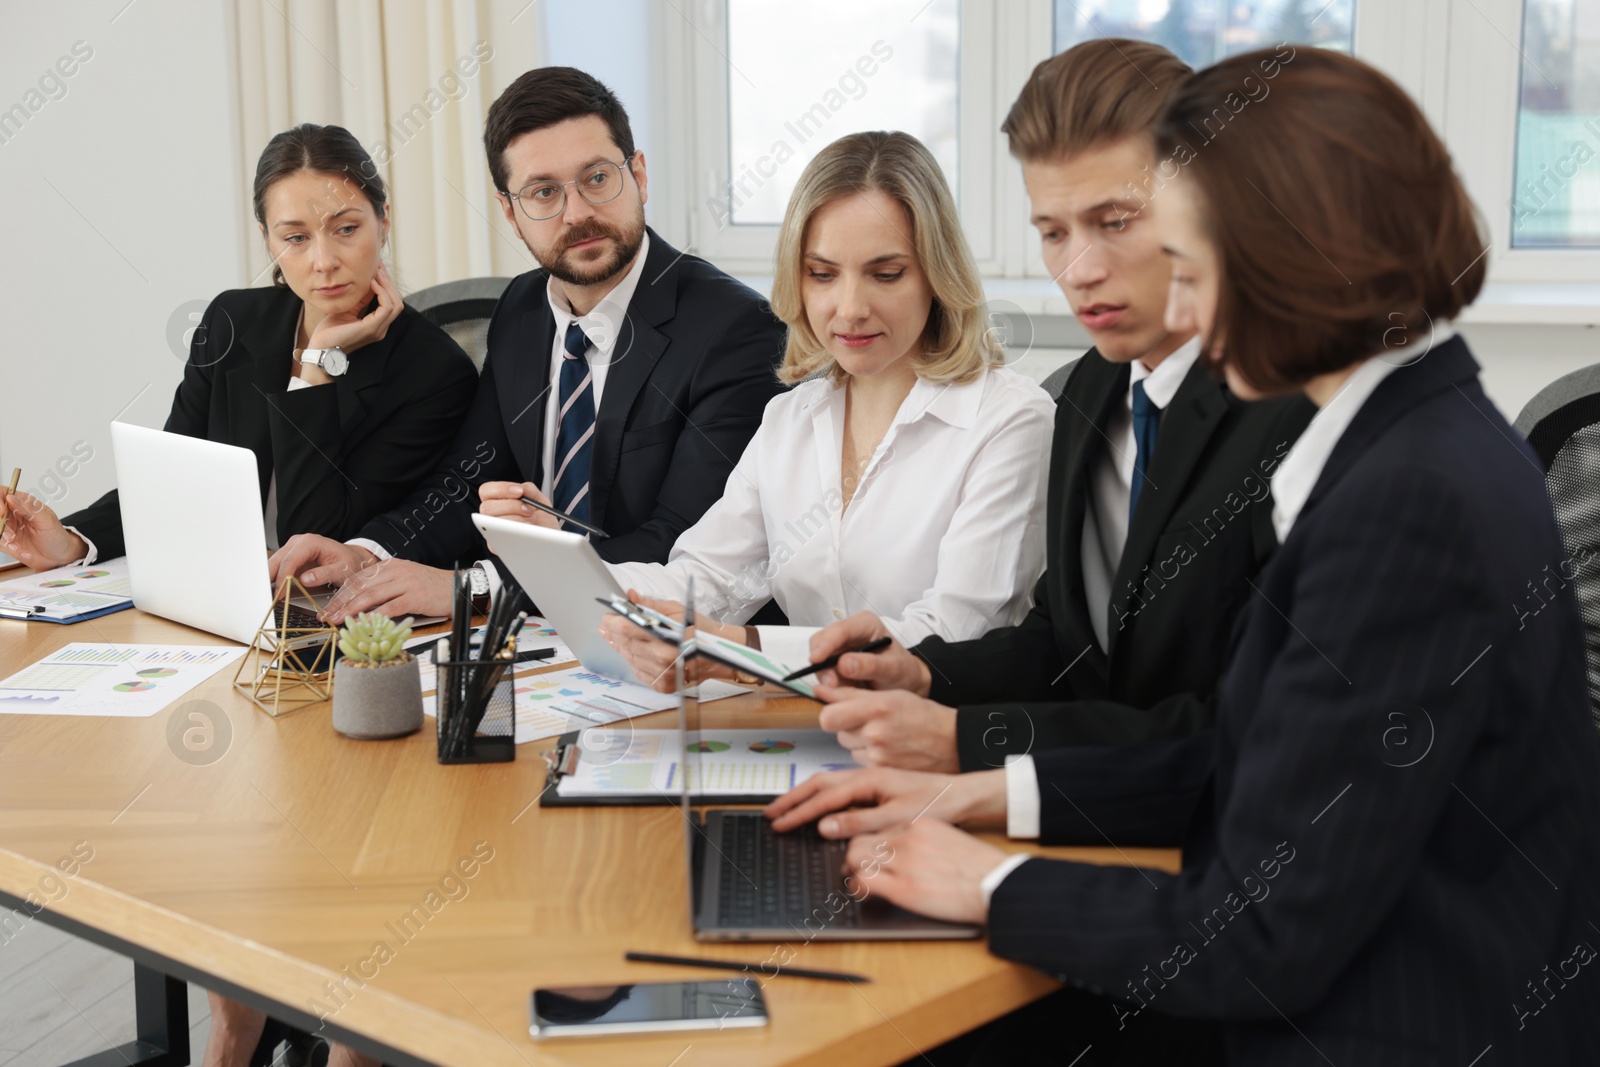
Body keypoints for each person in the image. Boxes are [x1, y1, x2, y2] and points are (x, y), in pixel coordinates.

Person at [768, 47, 1600, 1065]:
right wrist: (982, 792)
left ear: (1297, 244)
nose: (1182, 308)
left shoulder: (1405, 505)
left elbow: (1260, 935)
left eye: (1189, 257)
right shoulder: (1418, 444)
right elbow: (1246, 763)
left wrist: (985, 880)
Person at [792, 41, 1312, 772]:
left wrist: (970, 747)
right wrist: (929, 674)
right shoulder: (1092, 391)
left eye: (1117, 221)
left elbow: (1260, 731)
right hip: (1102, 811)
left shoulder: (1305, 414)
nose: (1081, 269)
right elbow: (1066, 646)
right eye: (1054, 232)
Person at [267, 68, 786, 622]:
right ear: (511, 213)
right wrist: (367, 555)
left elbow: (680, 548)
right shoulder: (522, 308)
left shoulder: (737, 331)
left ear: (638, 174)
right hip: (543, 643)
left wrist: (474, 588)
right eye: (543, 192)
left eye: (597, 178)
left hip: (671, 645)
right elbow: (466, 481)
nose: (577, 212)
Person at [549, 131, 1053, 688]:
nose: (851, 308)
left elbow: (954, 636)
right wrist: (563, 575)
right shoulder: (790, 420)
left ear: (937, 274)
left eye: (886, 274)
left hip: (940, 741)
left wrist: (742, 648)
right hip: (808, 731)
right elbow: (710, 578)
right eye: (822, 274)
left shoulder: (1009, 421)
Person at [0, 124, 476, 576]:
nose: (324, 261)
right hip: (215, 594)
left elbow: (315, 544)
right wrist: (76, 540)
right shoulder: (232, 321)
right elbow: (175, 477)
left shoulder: (434, 371)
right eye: (296, 238)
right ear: (267, 240)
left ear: (383, 220)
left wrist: (316, 369)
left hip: (317, 616)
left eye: (347, 229)